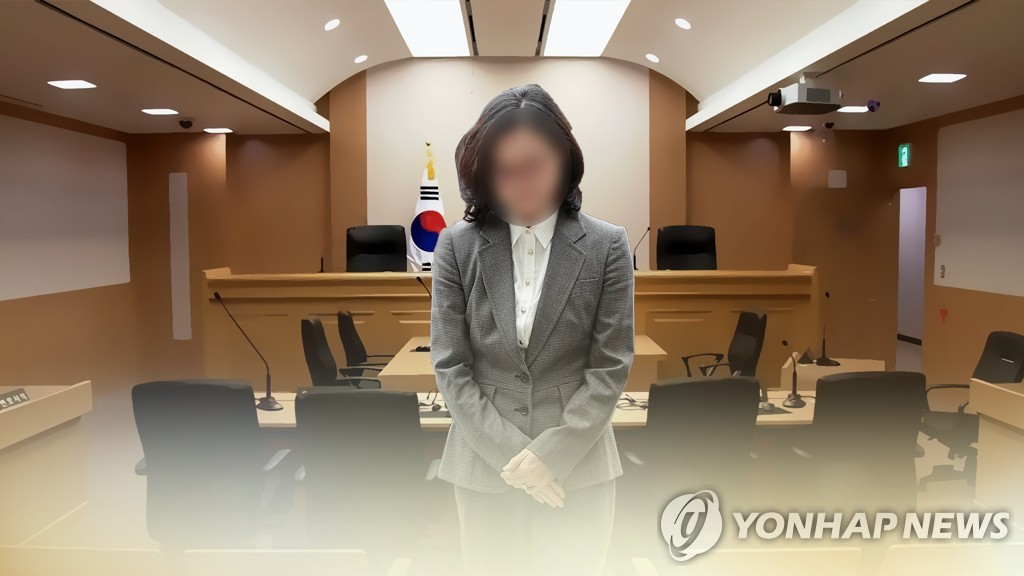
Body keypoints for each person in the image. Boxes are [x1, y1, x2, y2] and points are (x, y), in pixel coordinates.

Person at [429, 84, 635, 576]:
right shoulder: (456, 246)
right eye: (503, 170)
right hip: (484, 467)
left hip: (579, 470)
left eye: (535, 165)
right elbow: (451, 366)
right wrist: (518, 459)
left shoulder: (607, 245)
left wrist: (554, 456)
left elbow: (611, 365)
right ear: (483, 174)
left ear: (565, 161)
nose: (520, 184)